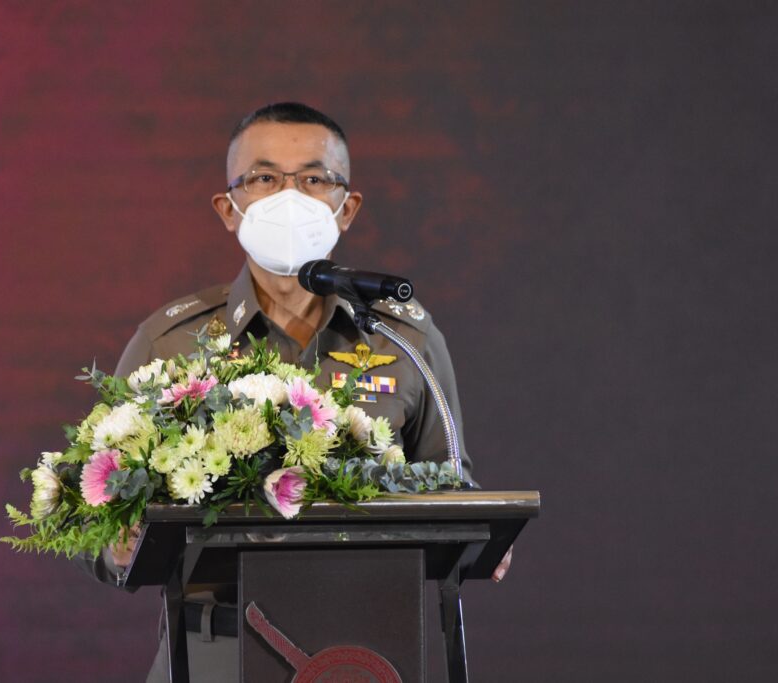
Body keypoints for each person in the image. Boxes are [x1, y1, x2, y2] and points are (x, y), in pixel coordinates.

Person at [80, 102, 511, 681]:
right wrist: (119, 542)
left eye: (313, 179)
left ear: (346, 207)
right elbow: (91, 516)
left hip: (366, 650)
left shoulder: (404, 338)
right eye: (264, 178)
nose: (289, 197)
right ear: (228, 208)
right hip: (213, 652)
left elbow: (449, 483)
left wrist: (484, 532)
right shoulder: (171, 342)